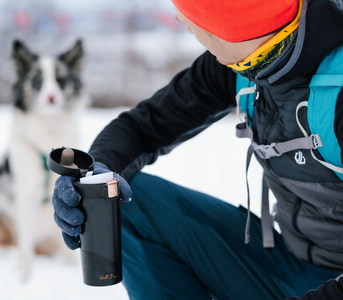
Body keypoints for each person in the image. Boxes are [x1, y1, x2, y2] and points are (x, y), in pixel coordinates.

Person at [52, 0, 343, 299]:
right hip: (288, 264)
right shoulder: (251, 60)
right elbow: (143, 127)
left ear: (230, 18)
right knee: (121, 198)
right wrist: (95, 175)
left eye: (192, 13)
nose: (181, 20)